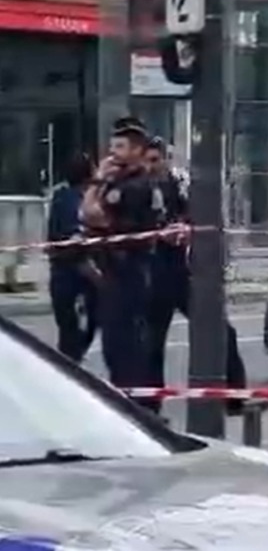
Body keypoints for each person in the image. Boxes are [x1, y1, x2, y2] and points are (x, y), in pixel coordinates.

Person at [142, 137, 253, 411]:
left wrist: (184, 229)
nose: (150, 167)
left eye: (155, 160)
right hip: (153, 274)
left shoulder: (178, 185)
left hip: (181, 272)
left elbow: (199, 218)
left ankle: (235, 398)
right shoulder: (140, 189)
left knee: (220, 330)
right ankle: (150, 407)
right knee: (151, 344)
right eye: (146, 161)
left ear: (165, 159)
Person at [79, 118, 164, 394]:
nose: (113, 153)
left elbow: (91, 214)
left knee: (125, 346)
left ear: (137, 150)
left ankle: (134, 403)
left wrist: (99, 179)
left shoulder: (134, 186)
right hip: (114, 272)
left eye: (120, 147)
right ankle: (130, 395)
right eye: (112, 145)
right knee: (115, 345)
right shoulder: (120, 182)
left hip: (128, 272)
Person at [45, 153, 97, 363]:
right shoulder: (81, 199)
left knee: (67, 325)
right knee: (86, 323)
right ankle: (72, 361)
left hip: (59, 270)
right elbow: (77, 236)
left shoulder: (59, 197)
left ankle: (69, 359)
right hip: (77, 271)